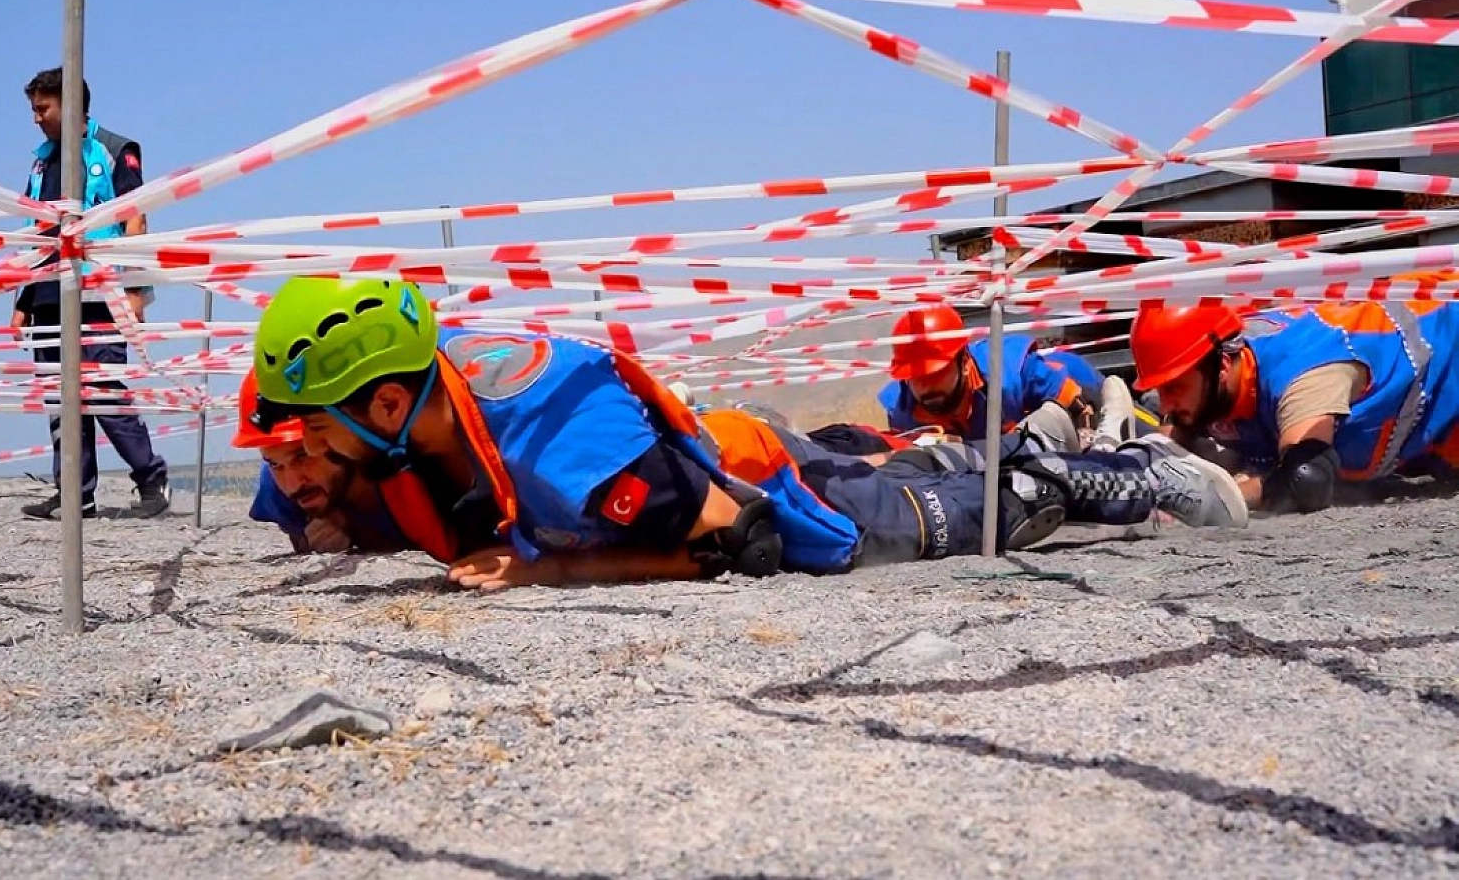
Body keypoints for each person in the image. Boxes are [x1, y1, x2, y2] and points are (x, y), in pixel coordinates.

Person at [245, 277, 1246, 591]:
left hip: (785, 504)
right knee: (924, 453)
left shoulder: (561, 454)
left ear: (383, 406)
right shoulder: (434, 372)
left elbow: (740, 543)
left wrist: (547, 573)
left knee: (1009, 496)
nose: (308, 451)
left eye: (315, 431)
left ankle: (1131, 466)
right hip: (730, 448)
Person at [11, 68, 168, 519]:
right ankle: (75, 494)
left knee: (101, 390)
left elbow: (135, 222)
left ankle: (151, 479)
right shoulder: (41, 162)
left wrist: (136, 291)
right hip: (47, 296)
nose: (36, 118)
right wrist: (23, 301)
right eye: (33, 109)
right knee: (61, 398)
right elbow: (37, 234)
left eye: (43, 108)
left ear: (71, 106)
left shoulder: (116, 151)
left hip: (99, 291)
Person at [1130, 298, 1459, 515]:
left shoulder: (1303, 379)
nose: (1167, 404)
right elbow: (1171, 437)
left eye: (1173, 387)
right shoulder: (1216, 364)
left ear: (1223, 368)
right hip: (1423, 423)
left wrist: (1210, 496)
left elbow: (1306, 481)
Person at [234, 369, 403, 555]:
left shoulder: (404, 466)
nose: (293, 484)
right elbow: (300, 537)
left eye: (302, 455)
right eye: (275, 464)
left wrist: (360, 528)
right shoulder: (275, 488)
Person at [877, 305, 1106, 441]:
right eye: (917, 378)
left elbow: (1083, 410)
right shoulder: (901, 411)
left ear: (964, 363)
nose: (926, 386)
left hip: (1079, 380)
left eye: (936, 373)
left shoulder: (1013, 371)